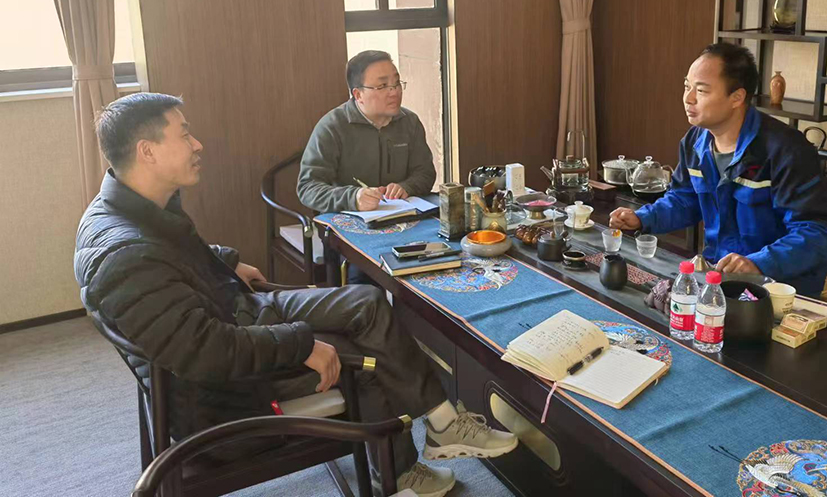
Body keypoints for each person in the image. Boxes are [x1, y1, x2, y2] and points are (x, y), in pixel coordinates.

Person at [75, 93, 516, 497]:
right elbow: (205, 352)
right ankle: (396, 476)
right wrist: (300, 344)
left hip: (236, 310)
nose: (198, 144)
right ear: (147, 152)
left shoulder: (133, 209)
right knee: (371, 358)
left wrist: (225, 262)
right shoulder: (125, 257)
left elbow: (175, 261)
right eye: (184, 134)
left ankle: (442, 423)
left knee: (365, 303)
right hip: (225, 393)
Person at [609, 43, 827, 296]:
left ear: (737, 97)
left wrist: (759, 263)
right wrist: (643, 218)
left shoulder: (785, 150)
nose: (688, 98)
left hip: (780, 287)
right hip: (720, 278)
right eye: (687, 86)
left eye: (701, 90)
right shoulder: (694, 142)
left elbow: (816, 233)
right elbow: (684, 200)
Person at [298, 50, 436, 214]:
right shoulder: (332, 127)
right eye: (383, 86)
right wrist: (353, 198)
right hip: (349, 219)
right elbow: (308, 187)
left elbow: (425, 173)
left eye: (397, 83)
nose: (394, 92)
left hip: (402, 215)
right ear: (358, 95)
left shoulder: (410, 122)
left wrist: (406, 187)